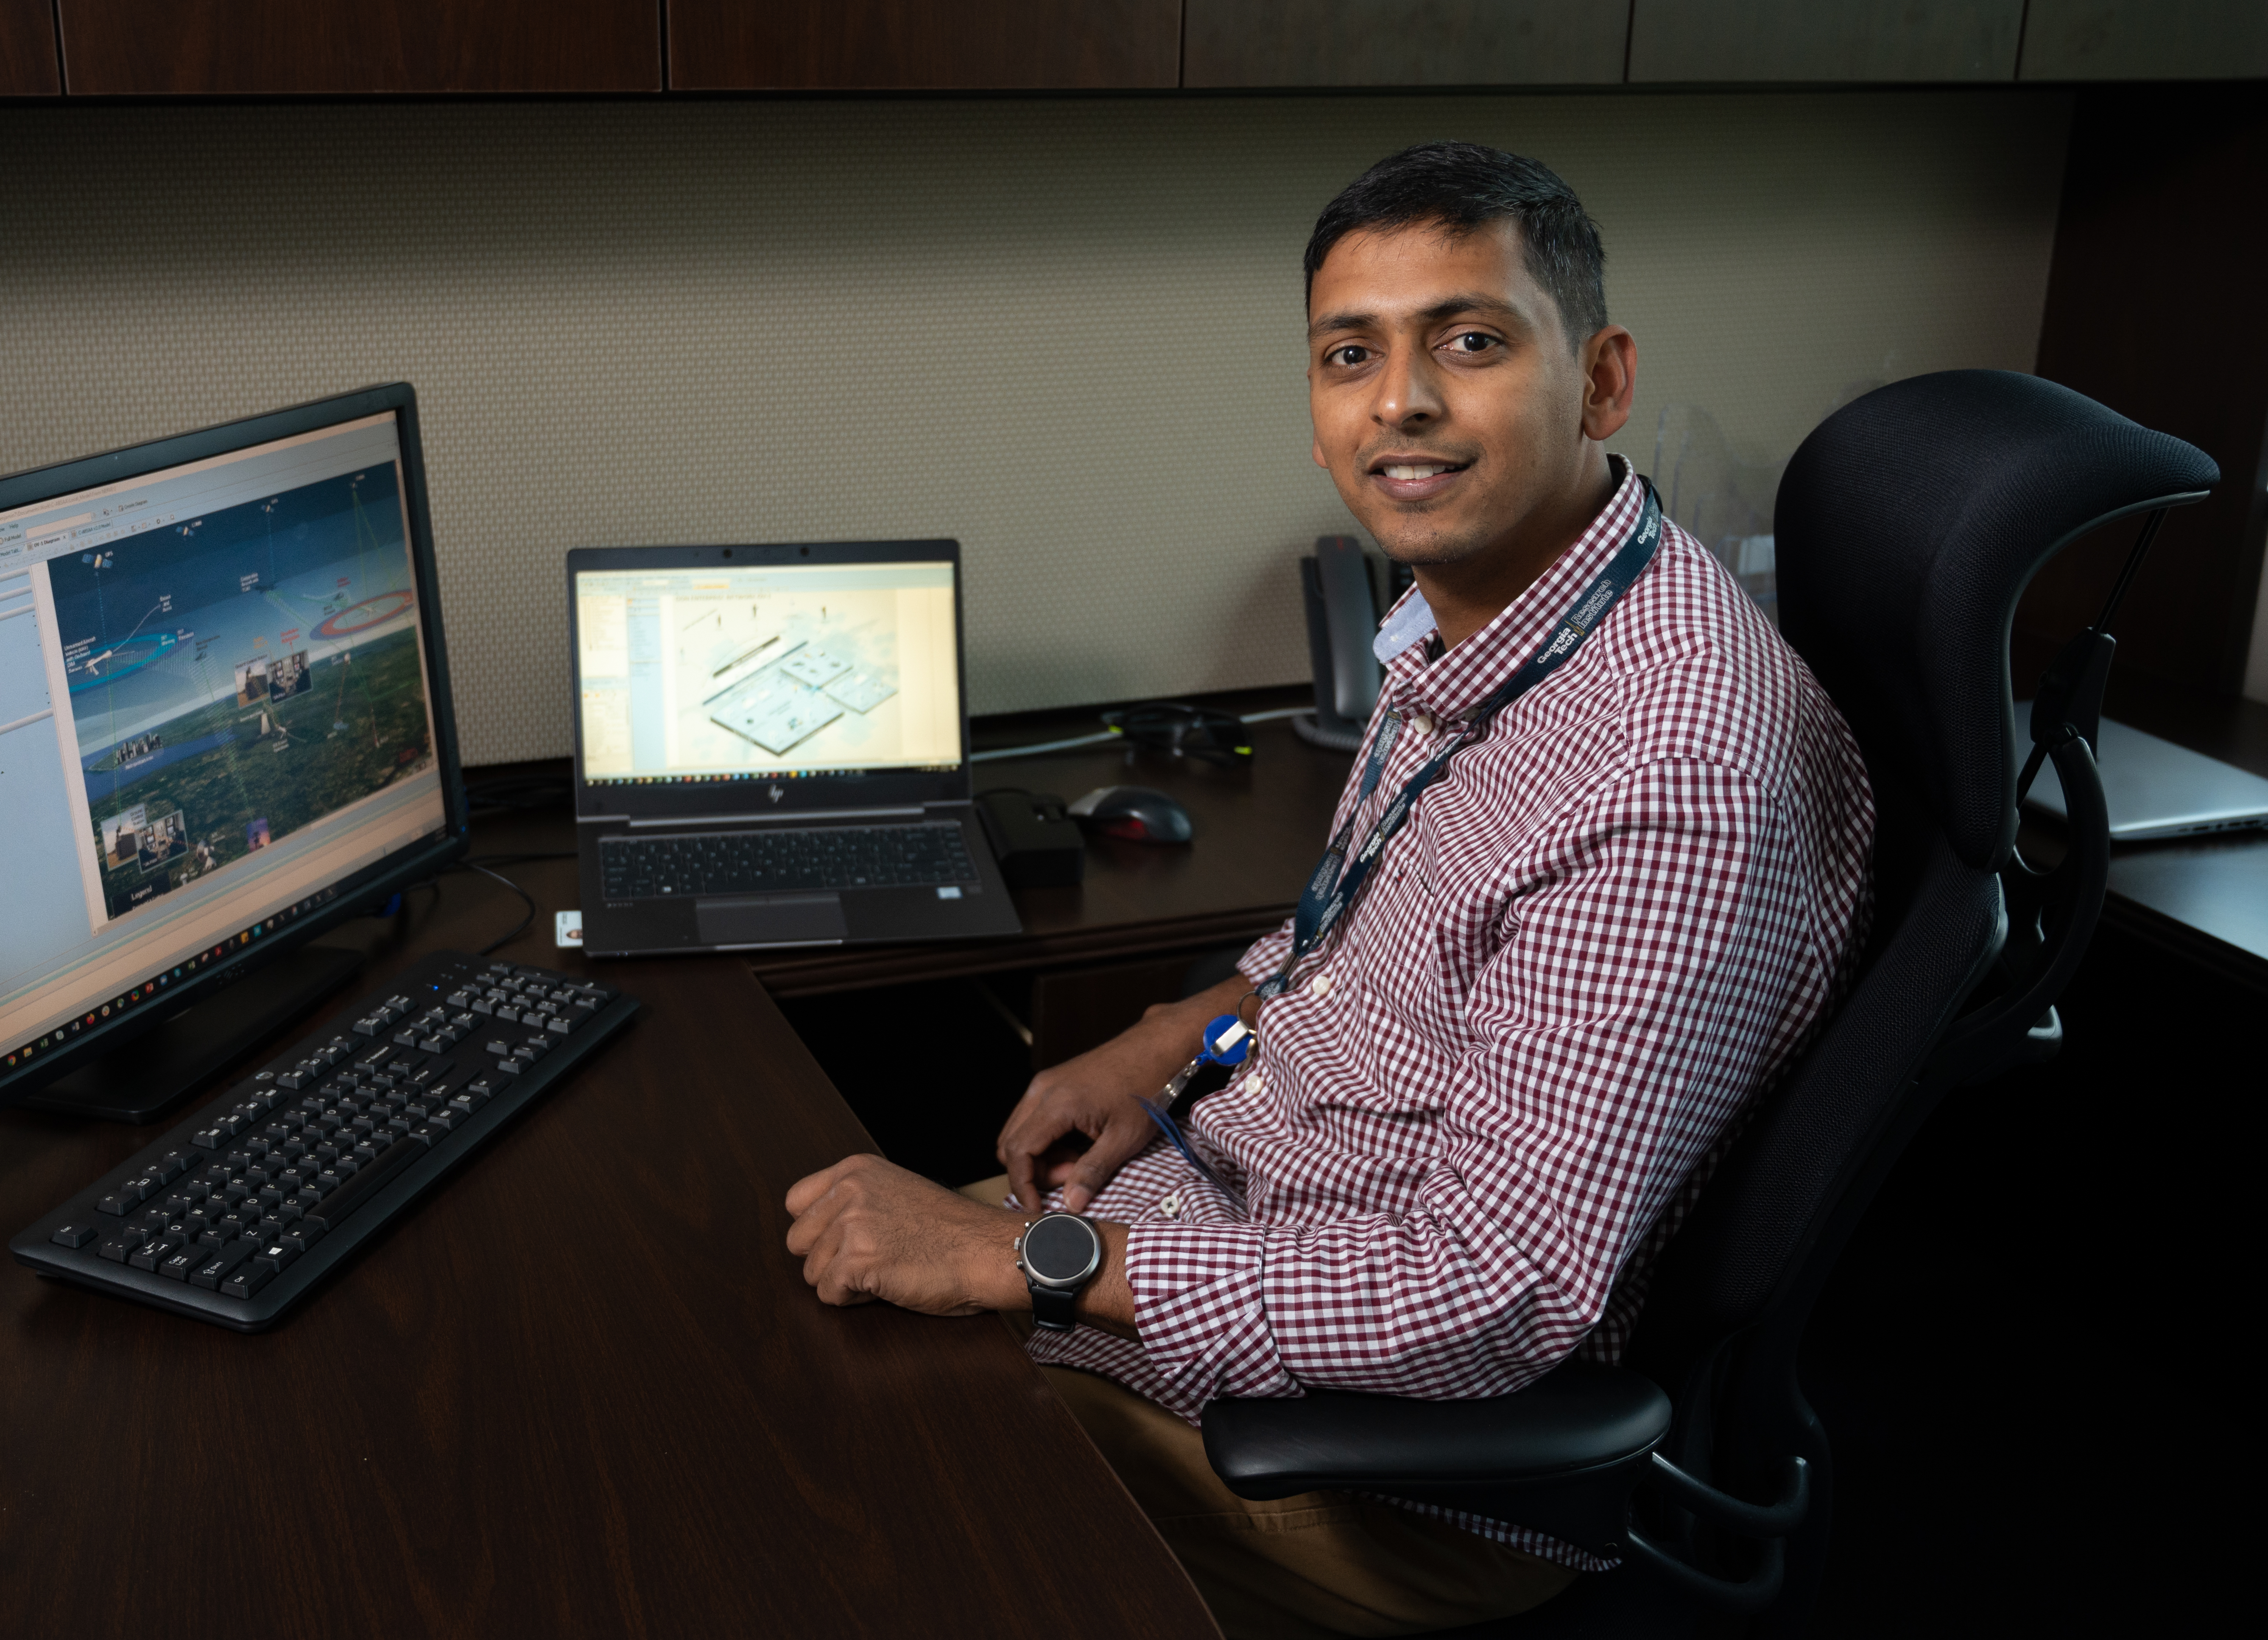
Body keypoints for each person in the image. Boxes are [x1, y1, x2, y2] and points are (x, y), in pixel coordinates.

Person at [783, 143, 1874, 1636]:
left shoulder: (1668, 770)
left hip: (1379, 1459)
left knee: (812, 1493)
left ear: (1603, 381)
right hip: (1220, 1198)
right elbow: (1346, 946)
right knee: (788, 1314)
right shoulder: (1486, 617)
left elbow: (1490, 1293)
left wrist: (1012, 1257)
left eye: (1471, 342)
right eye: (1350, 355)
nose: (1400, 404)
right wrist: (1176, 1036)